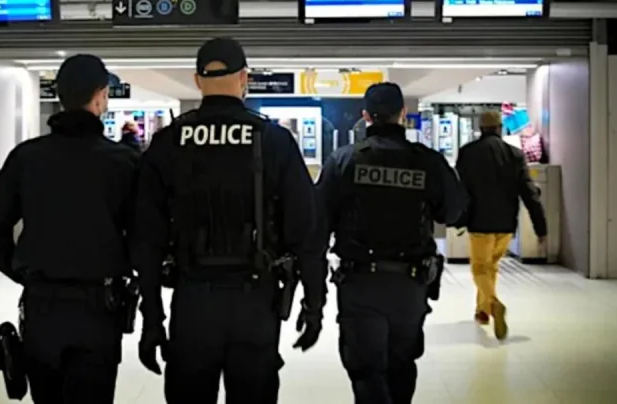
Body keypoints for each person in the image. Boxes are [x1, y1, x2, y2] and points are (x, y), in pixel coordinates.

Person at [132, 37, 328, 404]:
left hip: (192, 302)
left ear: (196, 80)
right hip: (256, 302)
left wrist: (153, 319)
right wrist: (314, 303)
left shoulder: (169, 141)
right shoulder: (274, 139)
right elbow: (307, 231)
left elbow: (146, 239)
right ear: (245, 79)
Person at [0, 54, 139, 404]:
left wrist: (25, 272)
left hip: (42, 311)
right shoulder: (124, 163)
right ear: (99, 96)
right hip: (100, 310)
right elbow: (144, 236)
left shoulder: (26, 158)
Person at [316, 82, 466, 404]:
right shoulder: (427, 162)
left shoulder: (344, 160)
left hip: (359, 284)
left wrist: (312, 292)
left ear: (365, 116)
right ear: (403, 114)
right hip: (409, 285)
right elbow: (453, 211)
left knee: (366, 371)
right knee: (401, 365)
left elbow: (317, 222)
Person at [455, 110, 547, 339]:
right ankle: (482, 310)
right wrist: (540, 226)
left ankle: (494, 304)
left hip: (479, 222)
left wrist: (454, 216)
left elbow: (459, 188)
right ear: (499, 128)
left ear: (480, 128)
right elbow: (528, 192)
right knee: (491, 267)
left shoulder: (468, 153)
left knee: (479, 268)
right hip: (506, 223)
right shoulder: (515, 154)